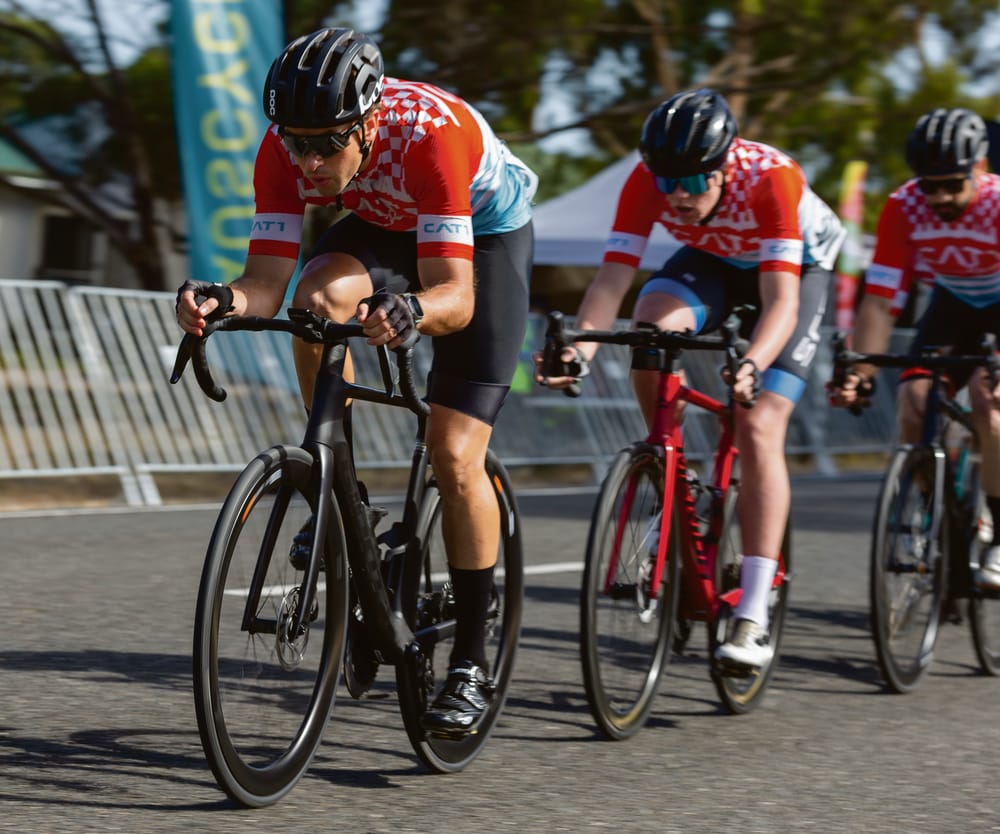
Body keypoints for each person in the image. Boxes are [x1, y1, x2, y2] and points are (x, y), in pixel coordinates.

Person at [175, 27, 538, 737]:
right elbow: (267, 283)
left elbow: (454, 298)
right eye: (295, 142)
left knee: (454, 453)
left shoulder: (434, 137)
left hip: (480, 240)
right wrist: (221, 300)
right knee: (317, 301)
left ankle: (470, 657)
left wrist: (411, 310)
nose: (307, 161)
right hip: (383, 222)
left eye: (324, 144)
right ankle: (340, 488)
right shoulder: (284, 150)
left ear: (369, 124)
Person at [536, 87, 846, 670]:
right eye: (667, 182)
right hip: (713, 262)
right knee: (650, 325)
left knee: (758, 424)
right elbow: (611, 283)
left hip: (796, 271)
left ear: (725, 166)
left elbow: (780, 302)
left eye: (695, 182)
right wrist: (580, 352)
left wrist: (752, 363)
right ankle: (673, 468)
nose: (678, 195)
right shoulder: (644, 181)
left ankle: (752, 614)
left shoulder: (772, 179)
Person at [829, 107, 1000, 591]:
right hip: (954, 303)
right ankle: (944, 514)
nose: (941, 197)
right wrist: (860, 374)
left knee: (991, 405)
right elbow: (881, 301)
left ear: (979, 170)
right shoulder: (904, 206)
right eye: (931, 185)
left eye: (952, 185)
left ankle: (999, 537)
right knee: (914, 406)